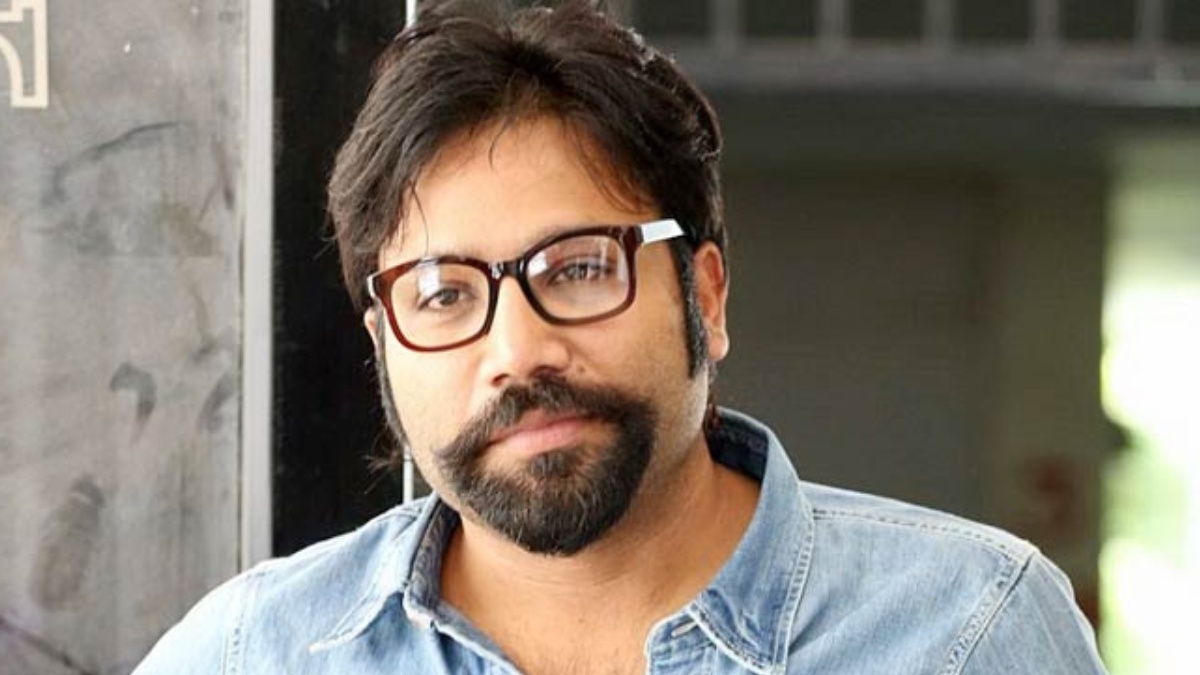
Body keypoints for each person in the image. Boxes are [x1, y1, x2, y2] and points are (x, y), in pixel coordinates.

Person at [134, 1, 1110, 673]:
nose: (518, 351)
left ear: (705, 297)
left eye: (578, 269)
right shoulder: (251, 654)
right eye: (443, 295)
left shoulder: (967, 631)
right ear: (383, 346)